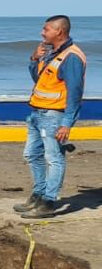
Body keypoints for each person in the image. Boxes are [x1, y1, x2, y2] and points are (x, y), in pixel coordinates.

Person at [16, 15, 87, 219]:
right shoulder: (52, 53)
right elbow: (39, 80)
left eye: (46, 29)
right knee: (32, 154)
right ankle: (38, 195)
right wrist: (34, 59)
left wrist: (67, 123)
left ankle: (48, 202)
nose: (42, 32)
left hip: (54, 115)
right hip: (37, 113)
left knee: (53, 158)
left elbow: (75, 92)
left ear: (59, 31)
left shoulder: (71, 57)